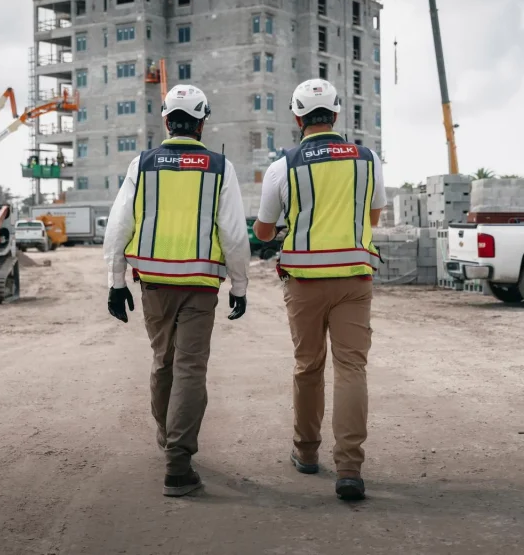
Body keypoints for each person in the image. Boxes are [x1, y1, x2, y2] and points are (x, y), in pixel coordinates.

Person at [103, 83, 250, 497]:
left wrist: (115, 283)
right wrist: (240, 285)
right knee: (189, 369)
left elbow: (118, 227)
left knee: (163, 362)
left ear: (166, 120)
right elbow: (235, 235)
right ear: (202, 123)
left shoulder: (143, 165)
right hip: (201, 286)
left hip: (153, 286)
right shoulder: (220, 167)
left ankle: (168, 436)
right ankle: (178, 462)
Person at [253, 78, 386, 501]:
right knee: (351, 369)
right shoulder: (367, 160)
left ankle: (306, 453)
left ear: (296, 117)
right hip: (353, 279)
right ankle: (349, 467)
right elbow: (375, 218)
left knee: (307, 366)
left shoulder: (283, 165)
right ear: (336, 113)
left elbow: (264, 228)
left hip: (304, 282)